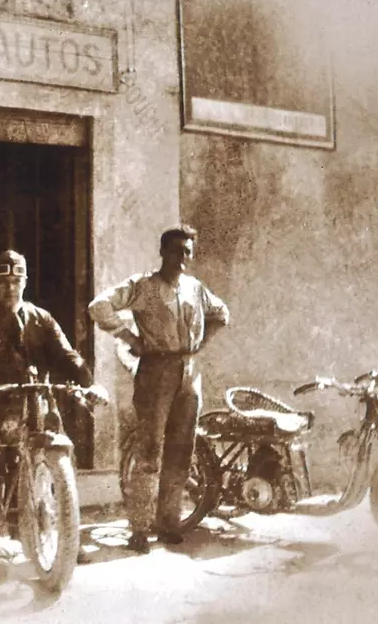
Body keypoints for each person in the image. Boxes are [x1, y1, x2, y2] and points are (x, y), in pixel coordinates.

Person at [0, 250, 106, 566]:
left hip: (32, 398)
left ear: (25, 282)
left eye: (16, 281)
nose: (10, 288)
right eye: (4, 282)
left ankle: (64, 536)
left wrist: (90, 383)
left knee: (52, 451)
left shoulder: (40, 318)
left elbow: (68, 355)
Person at [88, 225, 229, 554]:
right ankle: (139, 527)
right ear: (163, 252)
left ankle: (169, 524)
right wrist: (129, 338)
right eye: (176, 250)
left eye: (187, 251)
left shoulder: (195, 288)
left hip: (189, 373)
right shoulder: (143, 286)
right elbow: (99, 306)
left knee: (181, 451)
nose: (183, 257)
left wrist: (199, 344)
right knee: (149, 450)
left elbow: (222, 313)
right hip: (155, 371)